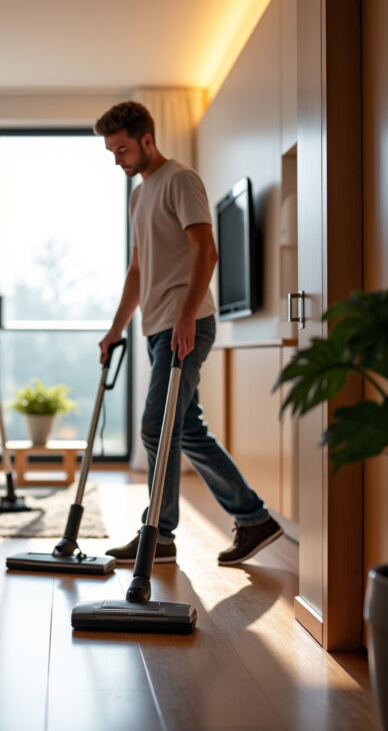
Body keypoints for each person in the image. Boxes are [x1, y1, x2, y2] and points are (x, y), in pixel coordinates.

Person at [95, 102, 282, 565]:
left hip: (187, 325)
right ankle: (254, 518)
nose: (117, 159)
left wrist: (185, 315)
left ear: (146, 141)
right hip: (158, 327)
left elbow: (207, 251)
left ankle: (158, 533)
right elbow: (138, 270)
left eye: (122, 150)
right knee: (187, 430)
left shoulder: (180, 180)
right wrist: (115, 330)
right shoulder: (140, 195)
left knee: (155, 427)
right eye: (111, 152)